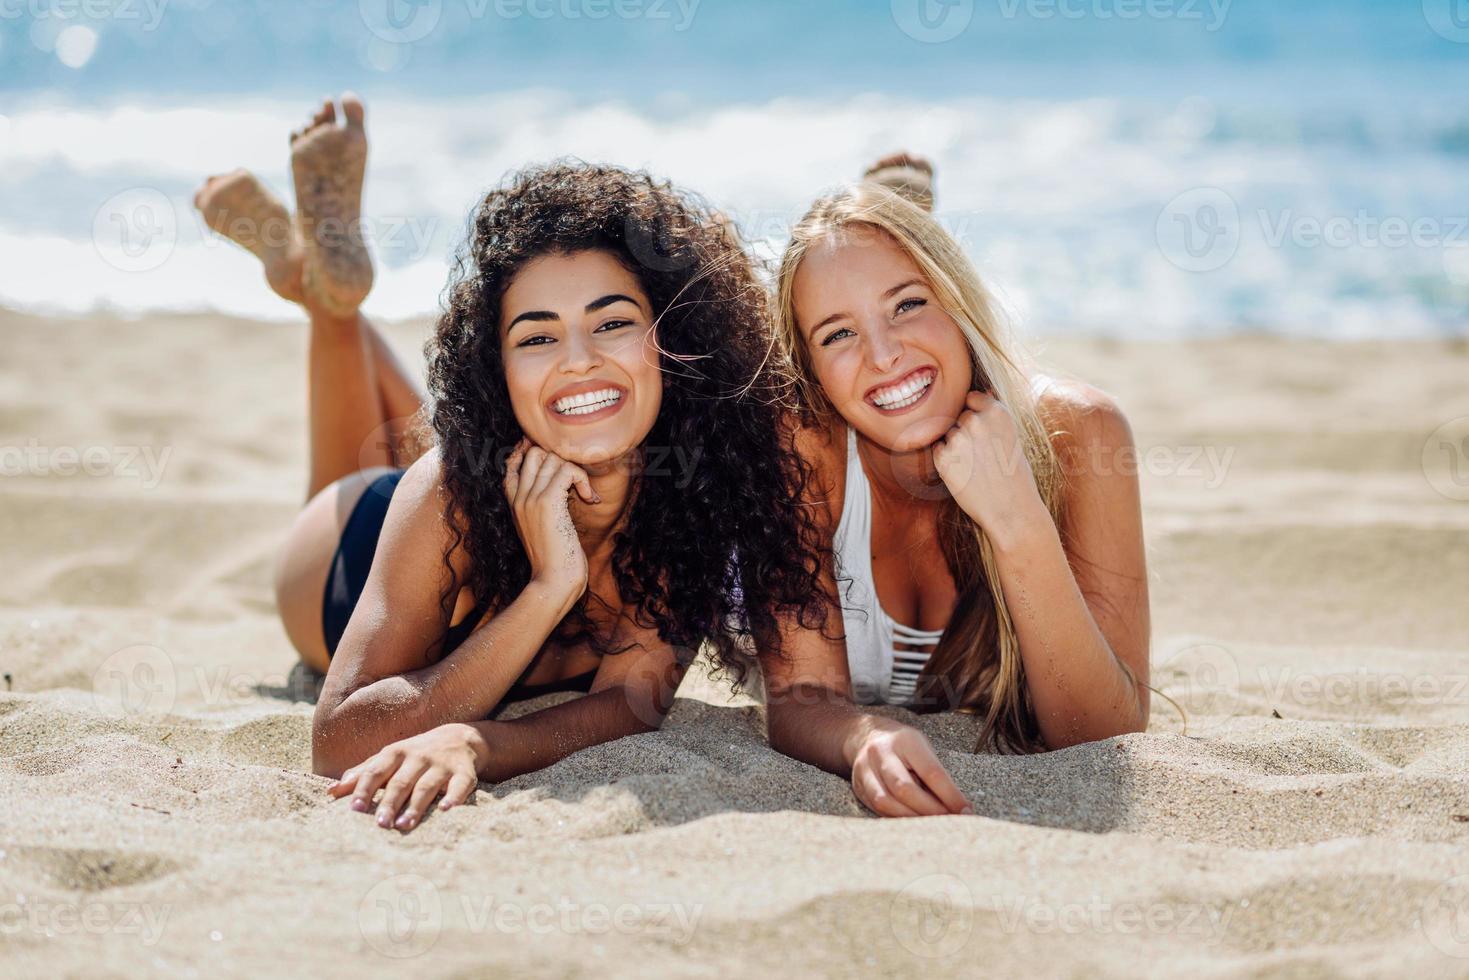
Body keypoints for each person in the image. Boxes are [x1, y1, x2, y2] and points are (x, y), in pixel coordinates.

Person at [193, 96, 827, 831]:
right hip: (348, 550)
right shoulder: (448, 489)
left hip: (475, 487)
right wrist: (548, 589)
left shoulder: (691, 502)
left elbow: (629, 702)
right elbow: (336, 744)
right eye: (535, 337)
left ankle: (316, 279)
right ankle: (331, 301)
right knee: (356, 476)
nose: (579, 357)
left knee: (532, 411)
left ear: (675, 339)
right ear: (495, 368)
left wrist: (480, 741)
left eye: (613, 323)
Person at [760, 165, 1152, 818]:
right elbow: (799, 697)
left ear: (957, 300)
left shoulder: (1080, 432)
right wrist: (864, 736)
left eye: (908, 303)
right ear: (812, 372)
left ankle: (891, 217)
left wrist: (1017, 522)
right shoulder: (803, 446)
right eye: (837, 333)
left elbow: (1102, 734)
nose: (883, 354)